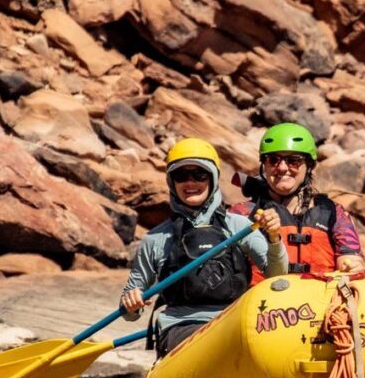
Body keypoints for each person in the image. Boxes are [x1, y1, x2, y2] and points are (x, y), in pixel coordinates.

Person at [120, 139, 286, 356]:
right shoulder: (155, 238)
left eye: (200, 174)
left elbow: (278, 274)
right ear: (172, 182)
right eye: (181, 175)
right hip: (179, 328)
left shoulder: (239, 226)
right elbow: (128, 313)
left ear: (213, 178)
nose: (190, 183)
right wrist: (131, 303)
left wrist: (274, 239)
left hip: (232, 321)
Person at [230, 122, 365, 279]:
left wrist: (353, 266)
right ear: (264, 165)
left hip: (320, 293)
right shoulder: (242, 214)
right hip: (263, 294)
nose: (282, 168)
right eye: (273, 160)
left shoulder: (334, 214)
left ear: (309, 166)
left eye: (293, 161)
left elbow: (350, 261)